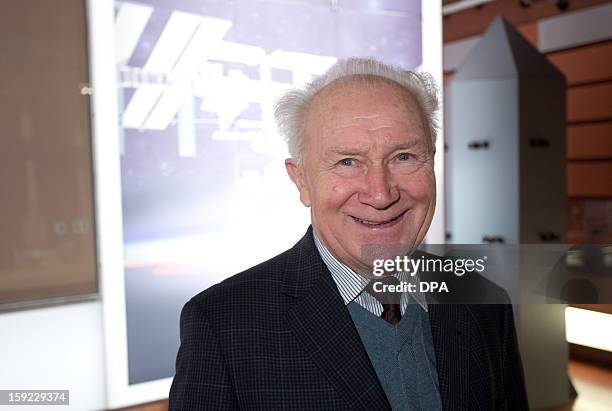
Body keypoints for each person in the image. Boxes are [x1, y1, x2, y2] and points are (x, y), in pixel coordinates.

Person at [168, 58, 529, 410]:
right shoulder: (222, 326)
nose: (381, 193)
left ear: (432, 161)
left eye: (403, 157)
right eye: (347, 162)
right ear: (301, 180)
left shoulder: (484, 301)